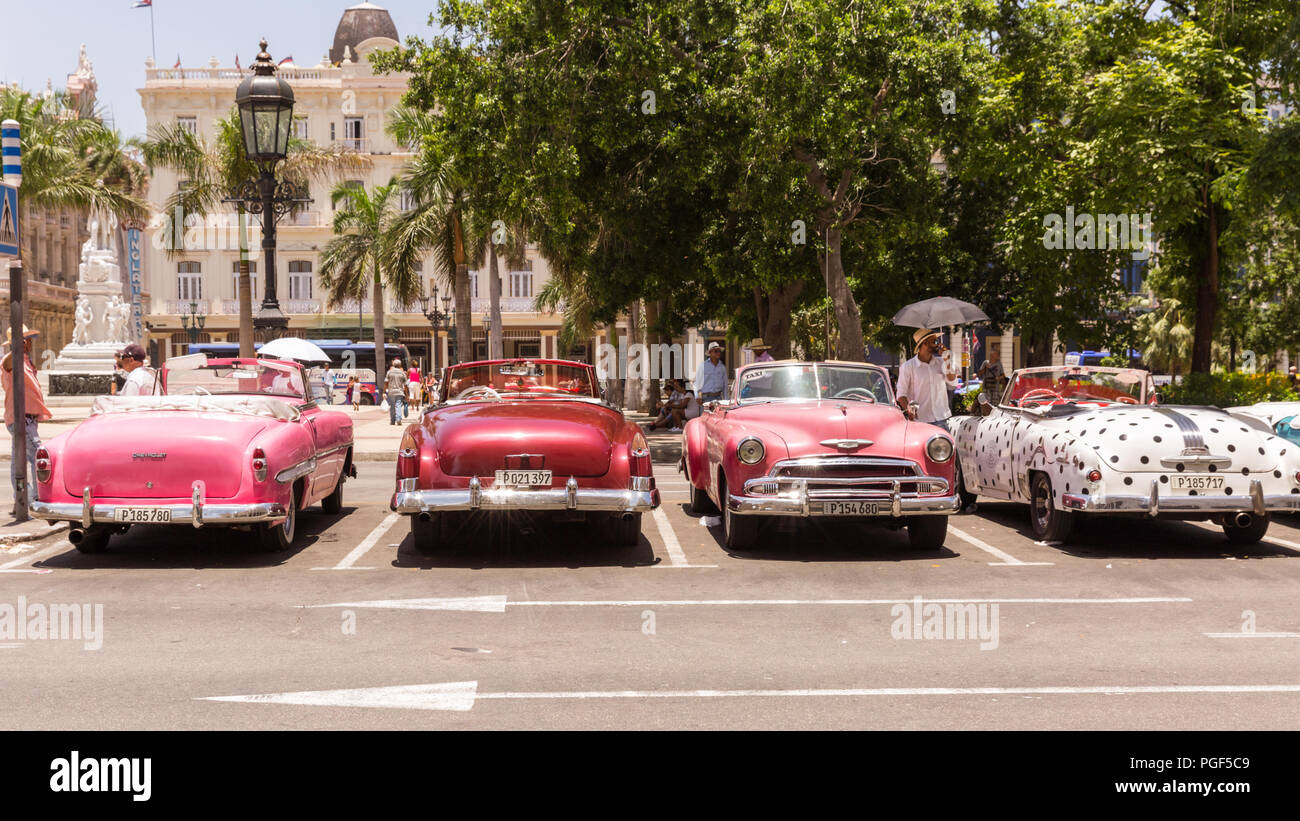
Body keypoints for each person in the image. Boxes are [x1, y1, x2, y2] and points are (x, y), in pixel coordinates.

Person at [3, 325, 52, 510]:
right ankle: (37, 497)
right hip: (21, 418)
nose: (30, 343)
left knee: (20, 460)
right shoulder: (12, 360)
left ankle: (21, 499)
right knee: (39, 455)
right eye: (27, 340)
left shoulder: (25, 361)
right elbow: (5, 363)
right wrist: (16, 347)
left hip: (28, 418)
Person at [896, 328, 957, 431]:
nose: (938, 344)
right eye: (935, 341)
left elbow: (952, 381)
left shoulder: (941, 362)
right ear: (925, 343)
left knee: (947, 447)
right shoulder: (908, 367)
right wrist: (910, 411)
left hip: (942, 418)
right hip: (920, 421)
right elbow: (901, 395)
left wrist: (948, 361)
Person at [385, 358, 408, 425]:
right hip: (400, 392)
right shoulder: (402, 373)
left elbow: (386, 382)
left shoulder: (389, 372)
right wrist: (407, 394)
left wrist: (384, 391)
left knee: (392, 406)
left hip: (391, 392)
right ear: (400, 365)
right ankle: (398, 419)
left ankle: (392, 421)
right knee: (398, 405)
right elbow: (405, 385)